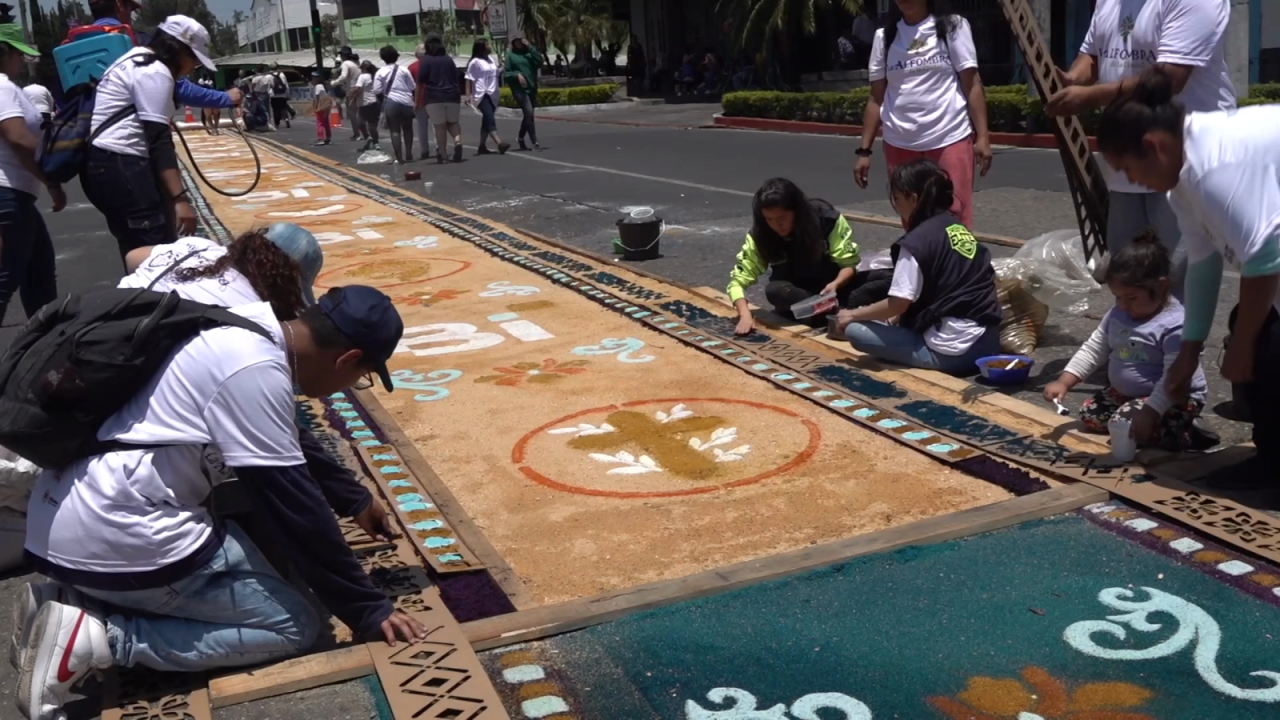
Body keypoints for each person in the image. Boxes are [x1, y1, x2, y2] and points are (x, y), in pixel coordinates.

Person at [17, 282, 426, 720]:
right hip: (121, 533)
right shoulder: (253, 369)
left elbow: (286, 436)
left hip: (59, 521)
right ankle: (101, 638)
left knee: (247, 544)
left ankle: (63, 600)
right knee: (293, 625)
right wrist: (365, 608)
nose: (347, 386)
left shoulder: (238, 330)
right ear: (345, 359)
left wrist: (355, 499)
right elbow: (295, 508)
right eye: (358, 377)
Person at [1097, 70, 1280, 486]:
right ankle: (1271, 458)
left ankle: (1273, 468)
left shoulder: (1216, 166)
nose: (1132, 181)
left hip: (1271, 258)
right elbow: (1204, 262)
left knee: (1264, 345)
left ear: (1153, 146)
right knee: (1249, 328)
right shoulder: (1182, 179)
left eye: (1127, 168)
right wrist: (1190, 351)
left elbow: (1265, 259)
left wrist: (1245, 346)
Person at [1046, 0, 1235, 300]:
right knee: (1127, 271)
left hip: (1183, 155)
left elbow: (1170, 77)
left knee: (1175, 271)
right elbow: (1092, 55)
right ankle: (1136, 341)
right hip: (1132, 154)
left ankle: (1180, 343)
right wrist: (1073, 80)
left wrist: (1092, 96)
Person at [1044, 231, 1209, 450]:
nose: (1123, 305)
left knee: (1128, 427)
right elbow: (1094, 349)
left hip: (1174, 397)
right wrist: (1064, 381)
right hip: (1126, 394)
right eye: (1118, 297)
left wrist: (1151, 410)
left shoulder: (1174, 325)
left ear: (1160, 286)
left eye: (1132, 298)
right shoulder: (1118, 314)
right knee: (1090, 416)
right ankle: (1150, 422)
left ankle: (1185, 433)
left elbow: (1174, 379)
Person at [837, 159, 1002, 374]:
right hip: (988, 341)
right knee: (889, 318)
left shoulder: (916, 242)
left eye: (897, 199)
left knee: (856, 331)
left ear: (913, 199)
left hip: (953, 351)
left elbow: (898, 304)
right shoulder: (956, 227)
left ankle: (929, 357)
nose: (896, 207)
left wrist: (851, 315)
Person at [82, 15, 214, 263]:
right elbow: (159, 140)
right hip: (123, 164)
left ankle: (140, 298)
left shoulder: (134, 60)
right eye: (194, 58)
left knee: (135, 251)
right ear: (178, 49)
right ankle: (151, 300)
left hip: (103, 166)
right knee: (154, 253)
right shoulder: (156, 71)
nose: (193, 66)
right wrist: (180, 199)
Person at [854, 0, 992, 230]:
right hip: (899, 141)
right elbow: (876, 98)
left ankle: (957, 264)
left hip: (949, 135)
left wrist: (983, 137)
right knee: (912, 216)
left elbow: (972, 84)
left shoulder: (953, 27)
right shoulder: (884, 37)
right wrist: (864, 151)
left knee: (955, 214)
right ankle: (918, 264)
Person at [729, 178, 889, 335]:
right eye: (769, 219)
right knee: (775, 290)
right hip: (799, 295)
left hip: (834, 288)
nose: (777, 226)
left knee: (889, 277)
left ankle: (828, 313)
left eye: (782, 218)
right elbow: (737, 282)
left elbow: (848, 265)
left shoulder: (827, 219)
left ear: (796, 211)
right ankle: (833, 313)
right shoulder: (761, 235)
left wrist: (835, 284)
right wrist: (744, 315)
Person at [0, 24, 64, 324]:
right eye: (17, 54)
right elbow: (17, 137)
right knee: (5, 280)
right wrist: (51, 176)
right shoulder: (2, 86)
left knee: (38, 273)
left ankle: (42, 350)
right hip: (8, 197)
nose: (19, 62)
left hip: (16, 196)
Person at [86, 0, 240, 112]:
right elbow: (178, 87)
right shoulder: (138, 43)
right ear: (119, 4)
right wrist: (224, 98)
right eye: (131, 10)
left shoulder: (68, 46)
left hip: (79, 141)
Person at [419, 32, 462, 164]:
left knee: (440, 126)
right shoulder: (448, 59)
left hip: (434, 97)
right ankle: (457, 141)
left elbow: (421, 80)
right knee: (453, 123)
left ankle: (443, 154)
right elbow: (456, 76)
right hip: (452, 95)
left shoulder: (425, 60)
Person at [466, 38, 509, 155]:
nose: (489, 46)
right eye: (487, 44)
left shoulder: (490, 60)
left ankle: (482, 146)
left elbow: (495, 73)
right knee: (489, 117)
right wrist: (468, 95)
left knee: (486, 120)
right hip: (482, 93)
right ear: (481, 47)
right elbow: (469, 78)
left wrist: (502, 68)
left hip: (493, 93)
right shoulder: (474, 62)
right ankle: (499, 143)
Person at [374, 45, 416, 164]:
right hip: (406, 101)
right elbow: (412, 87)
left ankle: (399, 157)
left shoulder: (380, 72)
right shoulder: (404, 70)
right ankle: (409, 153)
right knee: (408, 129)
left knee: (395, 130)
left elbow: (377, 90)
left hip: (391, 102)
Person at [504, 33, 544, 152]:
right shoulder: (510, 56)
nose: (518, 43)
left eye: (520, 41)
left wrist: (531, 47)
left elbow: (540, 61)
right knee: (529, 112)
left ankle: (521, 137)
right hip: (519, 89)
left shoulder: (529, 54)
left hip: (531, 87)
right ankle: (535, 142)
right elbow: (506, 74)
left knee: (528, 115)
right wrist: (517, 75)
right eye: (516, 41)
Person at [408, 44, 431, 161]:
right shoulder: (432, 64)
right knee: (438, 126)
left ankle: (424, 150)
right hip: (433, 98)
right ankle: (440, 147)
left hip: (419, 100)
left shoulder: (412, 67)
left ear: (416, 55)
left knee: (422, 127)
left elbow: (410, 86)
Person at [334, 46, 360, 136]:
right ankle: (363, 132)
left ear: (344, 55)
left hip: (352, 91)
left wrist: (334, 82)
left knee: (352, 113)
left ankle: (357, 133)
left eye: (341, 54)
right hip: (359, 89)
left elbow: (343, 76)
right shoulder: (356, 63)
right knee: (359, 113)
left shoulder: (345, 64)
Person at [355, 61, 380, 151]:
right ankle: (376, 143)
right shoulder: (375, 76)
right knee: (372, 126)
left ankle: (367, 137)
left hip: (364, 104)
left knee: (360, 123)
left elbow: (357, 88)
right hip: (374, 103)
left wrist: (351, 96)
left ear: (364, 69)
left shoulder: (362, 76)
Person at [311, 69, 333, 146]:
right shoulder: (323, 86)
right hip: (325, 105)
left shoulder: (318, 86)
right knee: (325, 122)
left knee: (320, 122)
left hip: (321, 106)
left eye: (314, 78)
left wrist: (315, 107)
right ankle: (328, 137)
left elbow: (317, 97)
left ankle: (321, 138)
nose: (313, 79)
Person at [269, 62, 293, 129]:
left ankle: (277, 124)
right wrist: (287, 94)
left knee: (275, 110)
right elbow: (286, 85)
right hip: (282, 94)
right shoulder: (282, 74)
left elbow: (268, 86)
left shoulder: (269, 76)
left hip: (274, 95)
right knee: (283, 108)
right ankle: (286, 119)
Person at [251, 64, 275, 130]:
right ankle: (269, 121)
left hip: (258, 94)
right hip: (265, 93)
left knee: (259, 109)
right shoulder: (266, 77)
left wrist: (252, 92)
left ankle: (260, 122)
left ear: (257, 70)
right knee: (267, 109)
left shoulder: (255, 78)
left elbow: (252, 86)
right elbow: (272, 85)